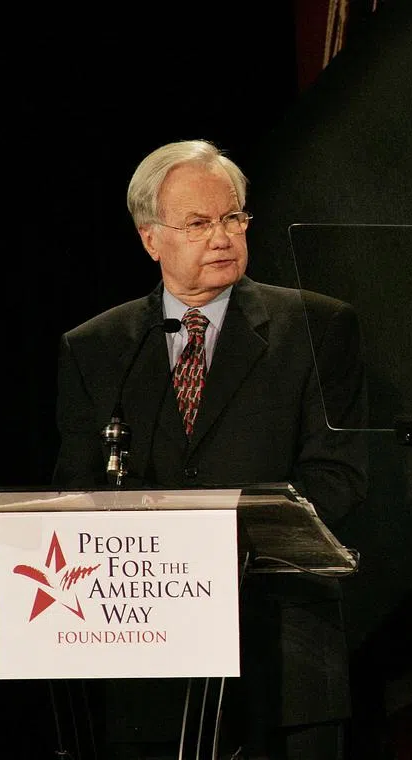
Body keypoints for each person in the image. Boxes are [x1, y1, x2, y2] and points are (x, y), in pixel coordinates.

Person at [54, 139, 367, 759]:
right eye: (199, 223)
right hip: (147, 663)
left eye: (233, 217)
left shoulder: (317, 328)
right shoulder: (96, 347)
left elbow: (339, 478)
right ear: (151, 239)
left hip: (283, 654)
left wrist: (223, 545)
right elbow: (75, 493)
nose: (222, 236)